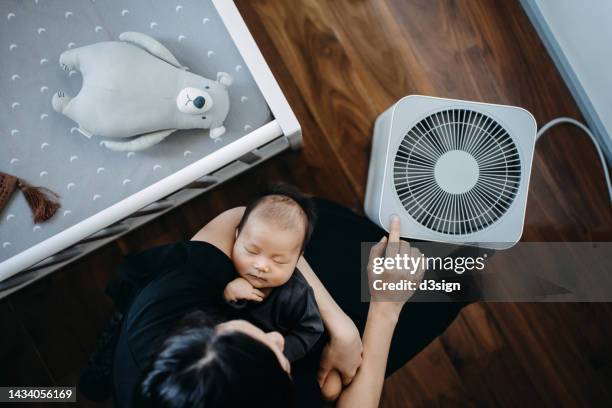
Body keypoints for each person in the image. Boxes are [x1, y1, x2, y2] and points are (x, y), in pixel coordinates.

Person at [104, 187, 467, 407]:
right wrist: (385, 309)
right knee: (447, 290)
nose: (277, 337)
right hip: (328, 358)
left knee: (314, 231)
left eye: (224, 328)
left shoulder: (162, 309)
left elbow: (238, 220)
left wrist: (341, 327)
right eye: (275, 353)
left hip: (309, 313)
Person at [221, 187, 325, 364]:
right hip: (237, 353)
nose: (261, 266)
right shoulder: (225, 269)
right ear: (237, 236)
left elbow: (312, 331)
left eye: (279, 261)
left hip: (287, 356)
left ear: (297, 259)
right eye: (252, 251)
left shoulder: (297, 295)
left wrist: (279, 353)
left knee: (331, 388)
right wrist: (227, 295)